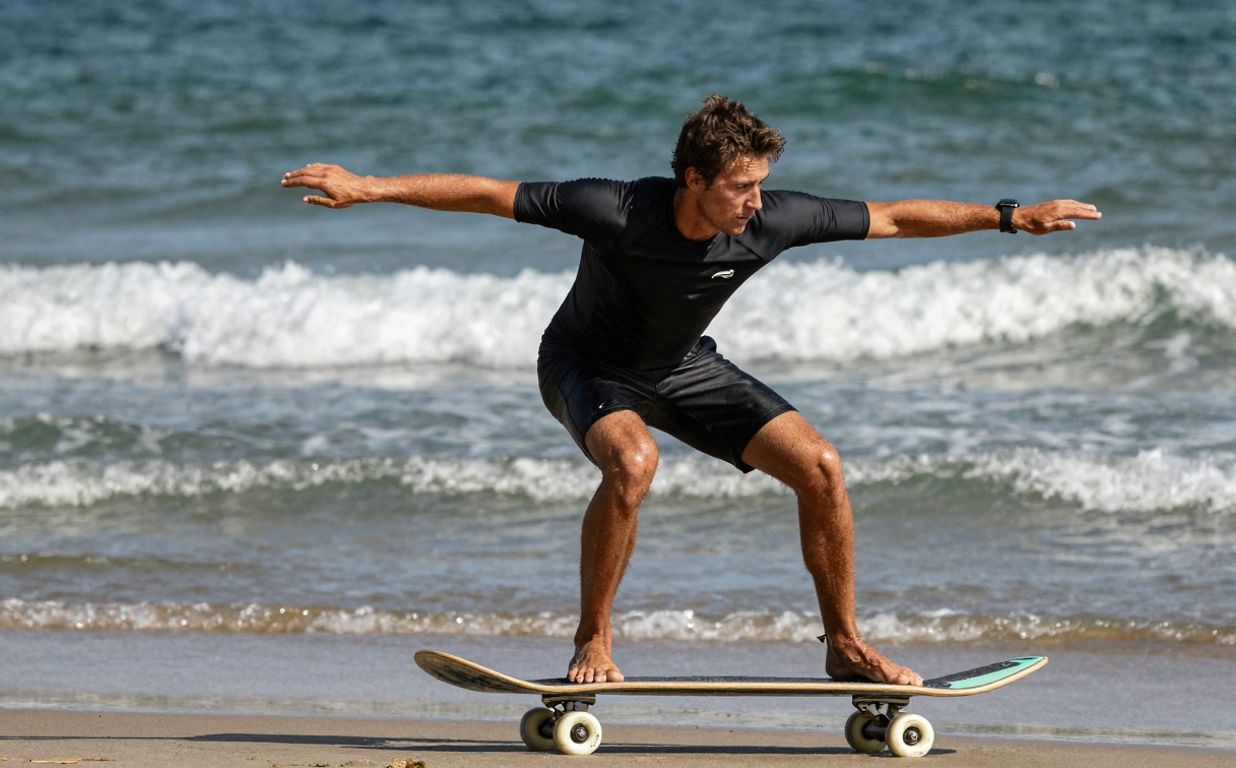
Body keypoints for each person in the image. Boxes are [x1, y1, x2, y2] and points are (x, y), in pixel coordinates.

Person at [282, 94, 1101, 686]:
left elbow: (891, 218)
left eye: (761, 185)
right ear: (691, 178)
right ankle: (594, 639)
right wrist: (370, 185)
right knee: (632, 465)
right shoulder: (614, 209)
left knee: (820, 467)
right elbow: (490, 195)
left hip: (683, 366)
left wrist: (1006, 215)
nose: (756, 201)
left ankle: (845, 646)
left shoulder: (770, 220)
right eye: (741, 186)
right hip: (586, 367)